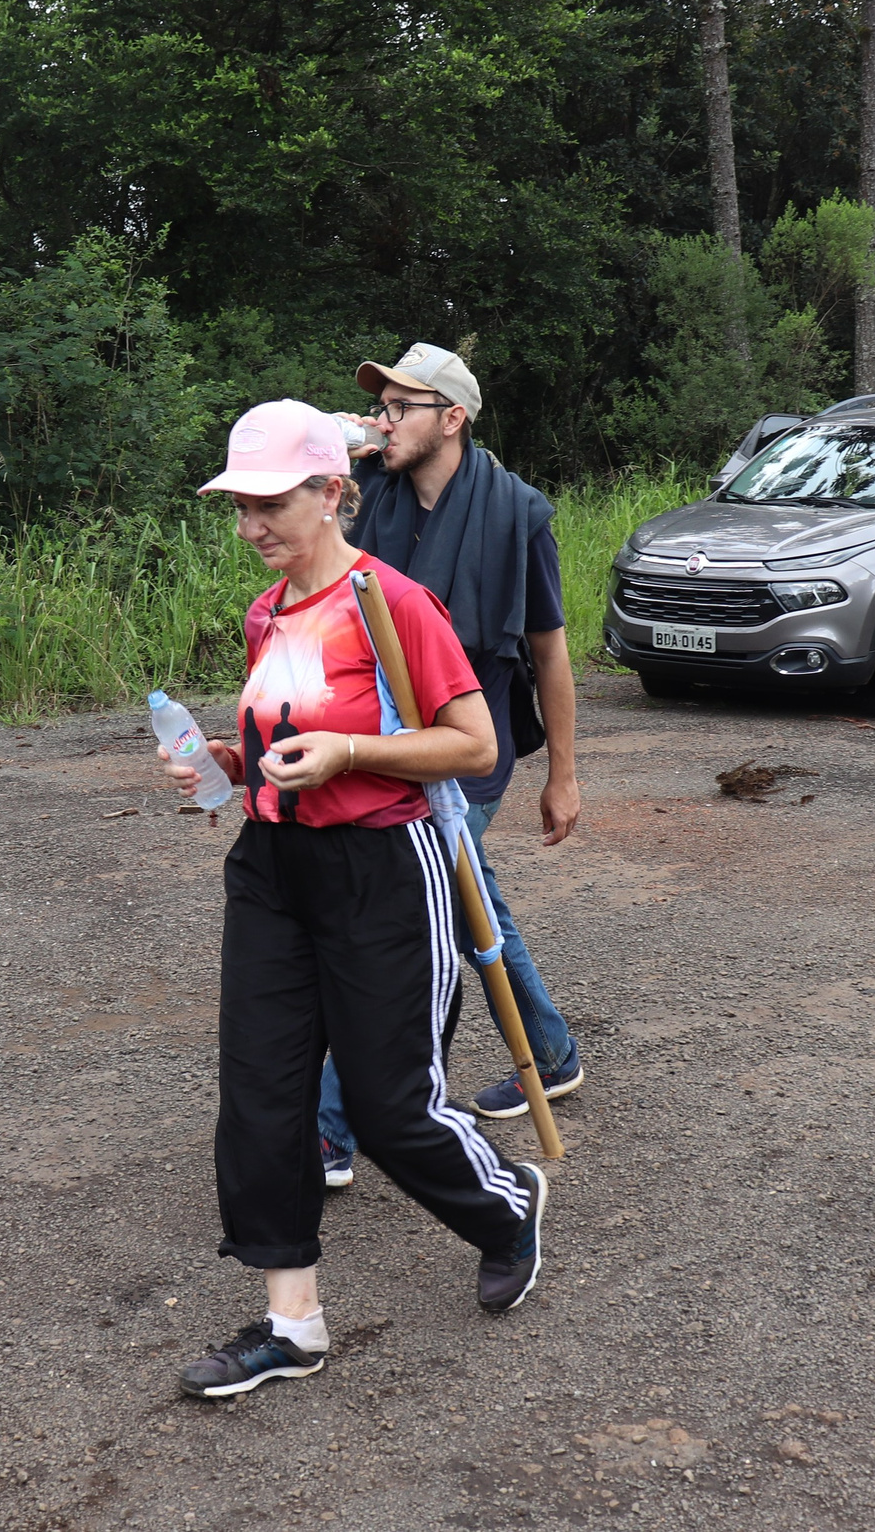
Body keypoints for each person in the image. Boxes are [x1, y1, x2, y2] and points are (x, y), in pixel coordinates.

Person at [164, 399, 546, 1400]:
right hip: (272, 872)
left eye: (269, 503)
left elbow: (472, 747)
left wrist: (349, 754)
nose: (251, 527)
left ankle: (506, 1208)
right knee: (261, 1097)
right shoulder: (267, 612)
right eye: (239, 507)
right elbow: (279, 738)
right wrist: (226, 763)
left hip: (382, 870)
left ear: (331, 492)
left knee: (386, 1106)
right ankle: (292, 1324)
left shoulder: (393, 602)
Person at [312, 341, 584, 1191]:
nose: (381, 420)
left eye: (399, 408)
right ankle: (552, 1049)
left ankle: (328, 1125)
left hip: (472, 745)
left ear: (453, 417)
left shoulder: (519, 515)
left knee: (398, 908)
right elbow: (287, 493)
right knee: (467, 899)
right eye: (378, 407)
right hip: (387, 736)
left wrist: (564, 773)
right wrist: (338, 449)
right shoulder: (366, 500)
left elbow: (550, 654)